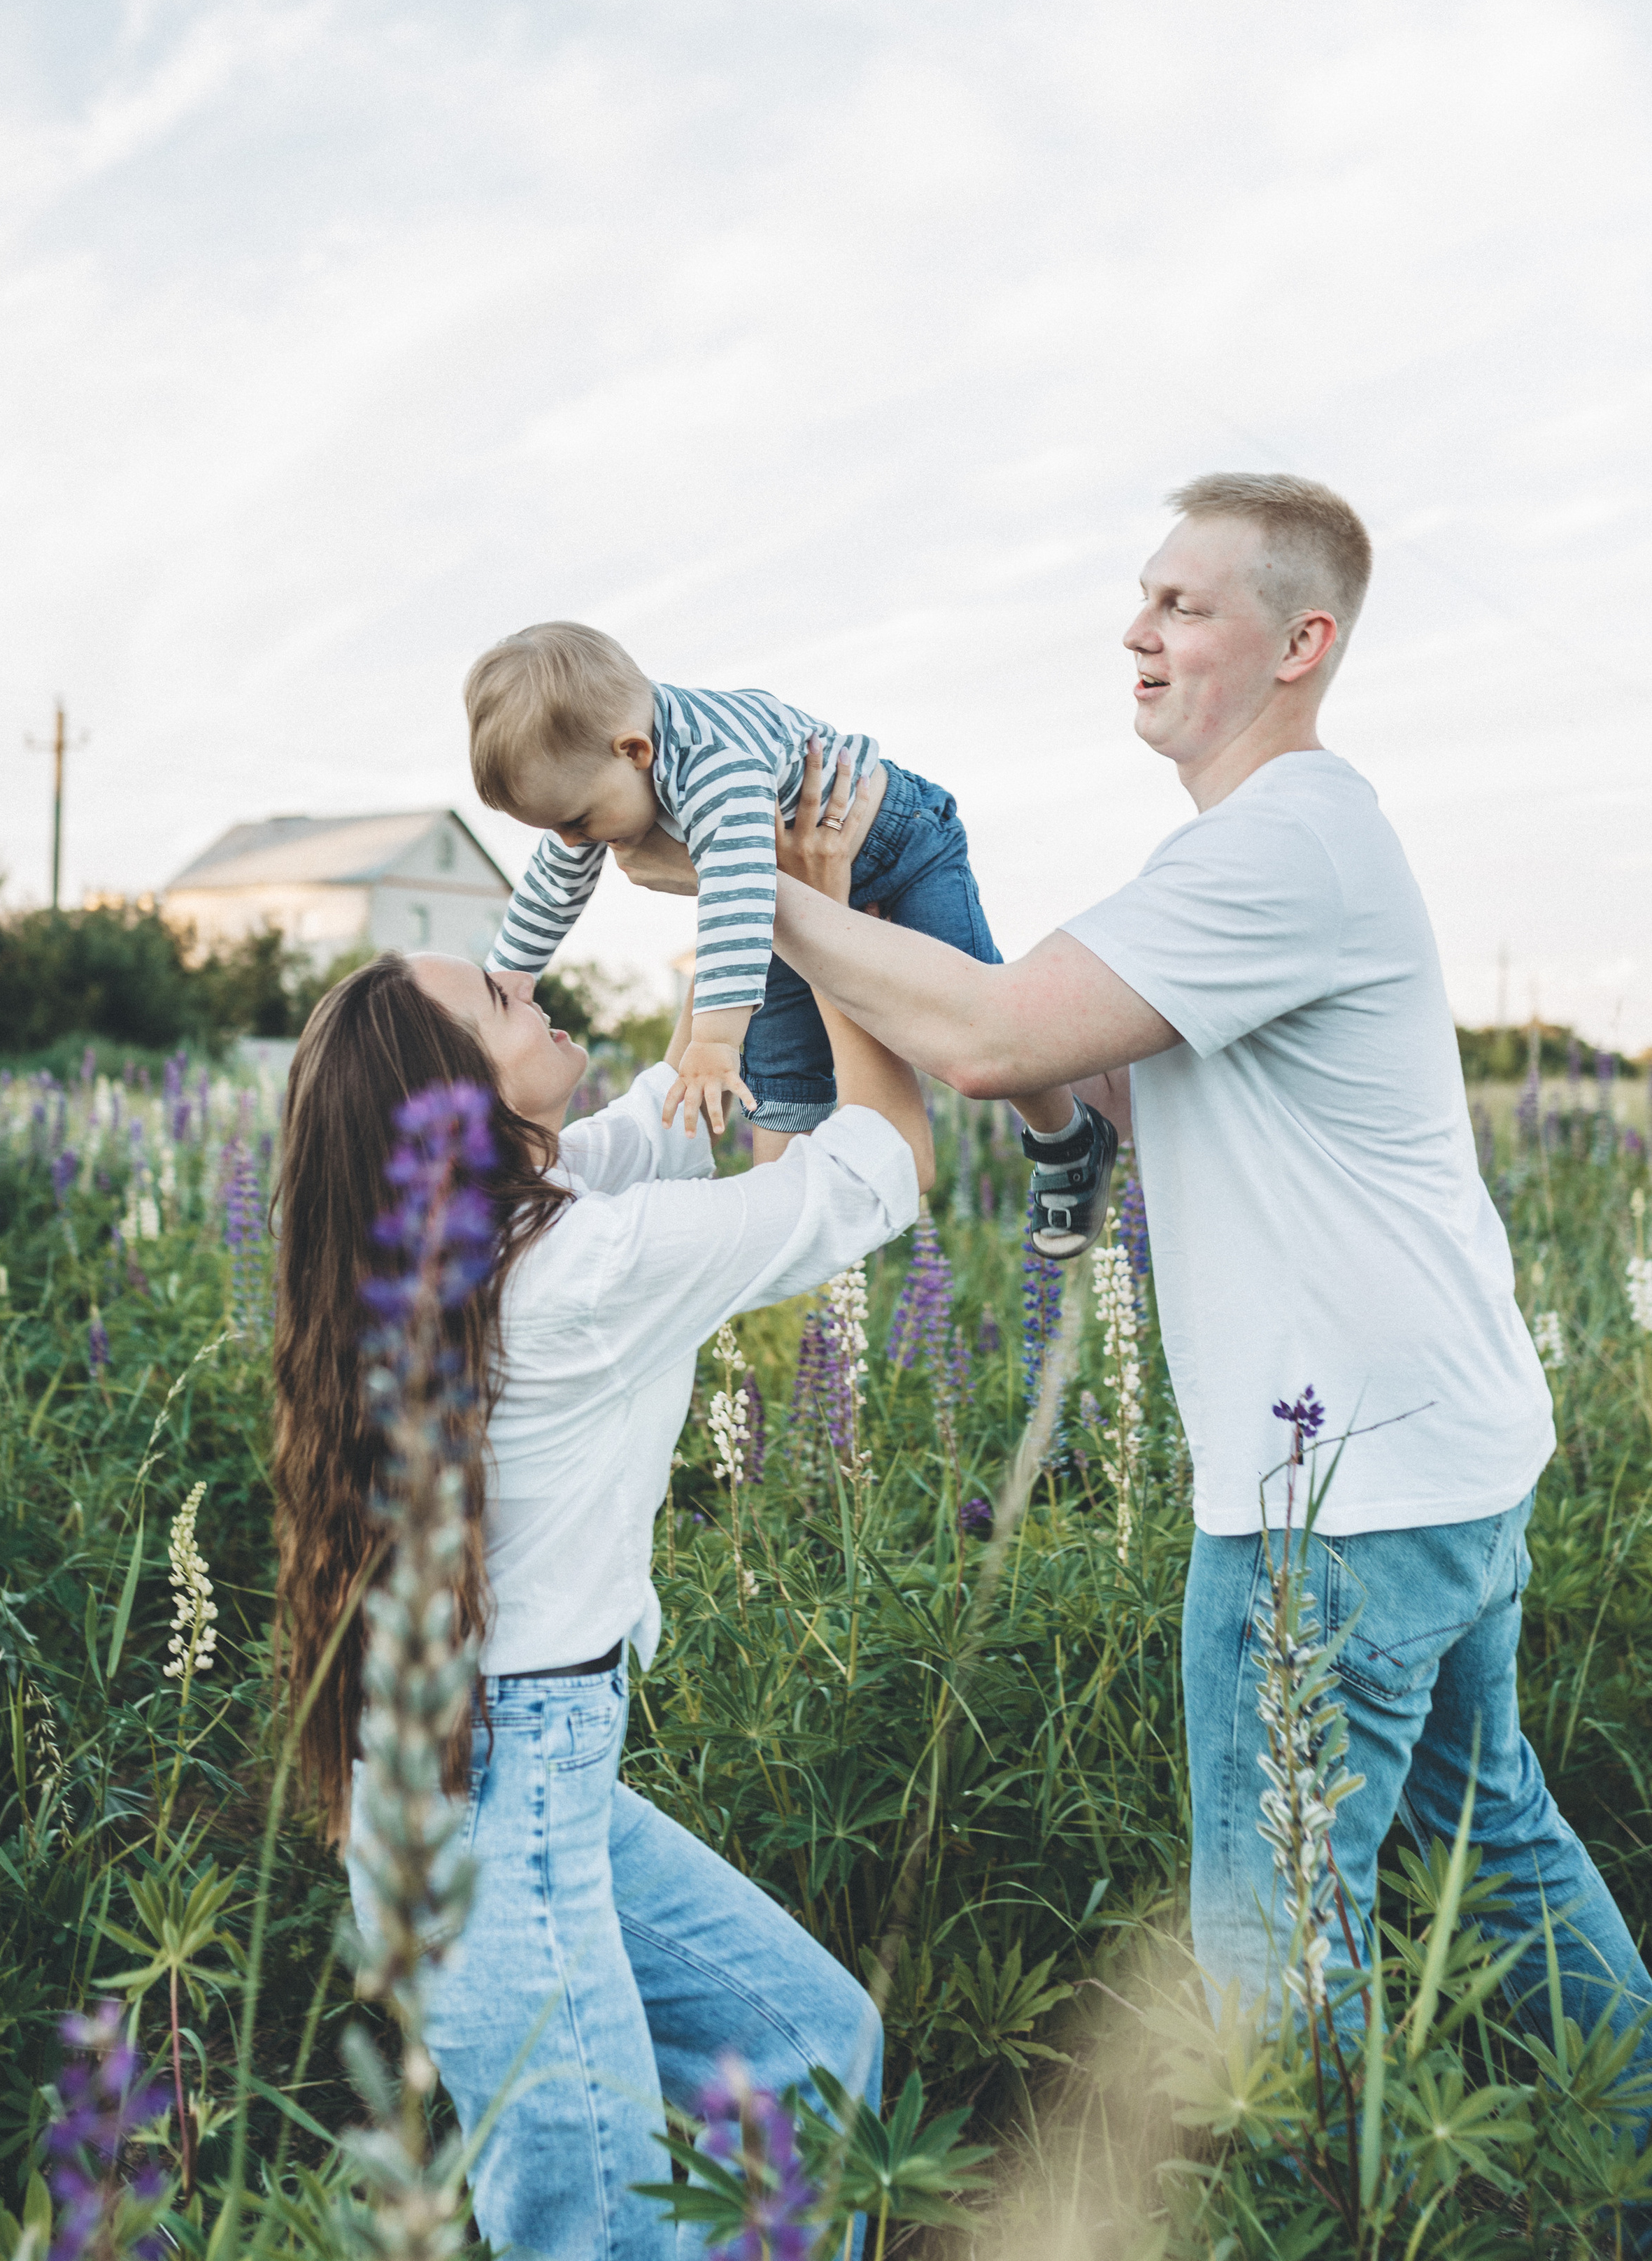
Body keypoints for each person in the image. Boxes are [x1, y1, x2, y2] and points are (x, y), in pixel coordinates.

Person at [624, 470, 1652, 2070]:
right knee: (1490, 1852)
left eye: (1182, 603)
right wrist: (869, 914)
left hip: (1329, 1511)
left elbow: (983, 1042)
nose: (1135, 628)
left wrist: (760, 893)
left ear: (1298, 641)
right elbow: (1064, 1081)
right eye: (1141, 596)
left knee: (1267, 1963)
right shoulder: (1259, 856)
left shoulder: (1276, 850)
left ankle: (1309, 2207)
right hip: (1437, 1470)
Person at [269, 748, 927, 2260]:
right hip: (502, 1779)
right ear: (456, 1102)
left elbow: (665, 1113)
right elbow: (877, 1169)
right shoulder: (573, 1271)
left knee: (810, 2053)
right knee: (597, 2228)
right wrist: (819, 921)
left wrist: (749, 909)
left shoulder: (487, 1232)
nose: (531, 981)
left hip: (501, 1766)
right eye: (499, 1002)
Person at [463, 621, 1115, 1258]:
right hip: (782, 887)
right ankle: (790, 1234)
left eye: (577, 822)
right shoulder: (603, 764)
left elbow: (739, 897)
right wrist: (508, 977)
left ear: (636, 751)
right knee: (777, 1081)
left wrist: (715, 1042)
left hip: (896, 847)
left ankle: (1065, 1136)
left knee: (981, 1025)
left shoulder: (717, 770)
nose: (575, 843)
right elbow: (555, 881)